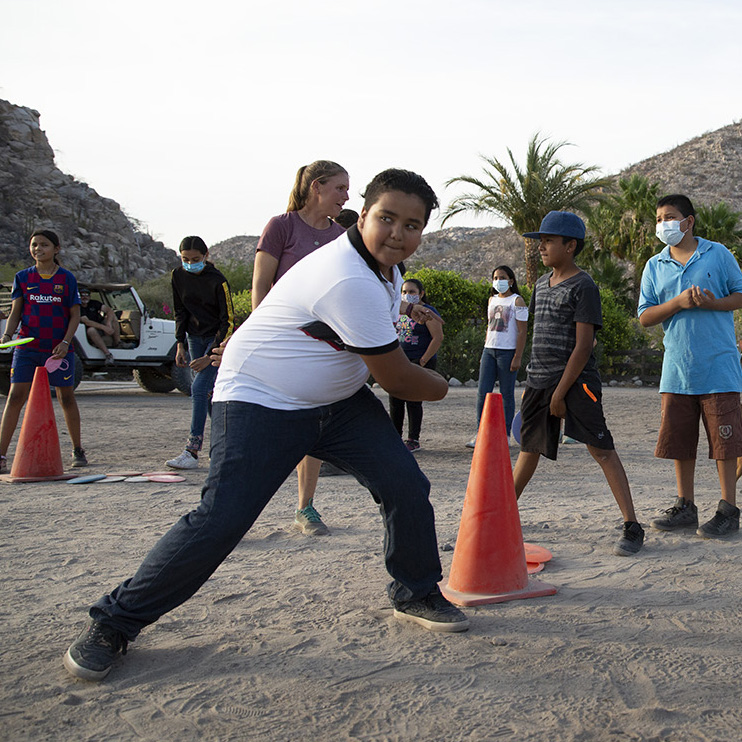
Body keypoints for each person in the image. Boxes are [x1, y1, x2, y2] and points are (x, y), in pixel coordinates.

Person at [62, 169, 469, 682]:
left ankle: (416, 592)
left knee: (405, 484)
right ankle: (113, 623)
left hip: (336, 404)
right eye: (386, 218)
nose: (396, 233)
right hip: (261, 399)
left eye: (412, 226)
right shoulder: (347, 276)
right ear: (362, 215)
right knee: (222, 519)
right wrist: (442, 385)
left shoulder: (385, 270)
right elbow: (399, 380)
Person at [511, 211, 644, 556]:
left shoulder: (584, 286)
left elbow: (584, 346)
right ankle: (499, 518)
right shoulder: (541, 284)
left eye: (549, 240)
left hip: (575, 383)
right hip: (539, 382)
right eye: (540, 240)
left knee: (601, 449)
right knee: (528, 450)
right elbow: (540, 335)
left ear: (570, 246)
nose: (541, 246)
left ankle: (632, 525)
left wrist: (560, 392)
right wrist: (532, 385)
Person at [251, 160, 349, 535]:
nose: (346, 196)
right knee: (265, 428)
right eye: (340, 188)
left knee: (309, 424)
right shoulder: (281, 227)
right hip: (280, 342)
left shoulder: (341, 236)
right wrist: (259, 334)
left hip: (321, 346)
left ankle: (305, 508)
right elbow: (261, 285)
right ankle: (232, 510)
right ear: (317, 187)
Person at [639, 194, 742, 538]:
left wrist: (714, 303)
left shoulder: (718, 254)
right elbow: (644, 316)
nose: (663, 224)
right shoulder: (654, 265)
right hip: (677, 369)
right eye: (658, 219)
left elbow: (741, 294)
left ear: (689, 221)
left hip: (719, 366)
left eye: (669, 217)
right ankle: (686, 506)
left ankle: (728, 509)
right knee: (679, 442)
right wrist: (678, 303)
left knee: (724, 443)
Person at [0, 229, 87, 474]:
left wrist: (66, 343)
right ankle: (1, 454)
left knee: (66, 397)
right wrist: (8, 336)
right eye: (34, 245)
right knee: (15, 396)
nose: (38, 249)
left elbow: (75, 315)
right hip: (27, 348)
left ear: (56, 249)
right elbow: (16, 311)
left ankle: (78, 450)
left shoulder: (67, 279)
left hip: (58, 349)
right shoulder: (22, 277)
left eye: (44, 245)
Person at [165, 236, 234, 469]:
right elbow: (180, 311)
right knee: (206, 394)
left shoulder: (218, 281)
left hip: (215, 339)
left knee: (198, 387)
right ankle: (226, 445)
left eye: (195, 259)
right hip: (193, 338)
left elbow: (228, 321)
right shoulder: (177, 276)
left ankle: (192, 450)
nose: (190, 263)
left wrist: (211, 355)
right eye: (185, 259)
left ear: (205, 257)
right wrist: (180, 343)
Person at [466, 265, 528, 449]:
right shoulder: (491, 300)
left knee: (506, 394)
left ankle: (505, 434)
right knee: (482, 393)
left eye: (502, 277)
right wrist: (485, 348)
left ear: (511, 280)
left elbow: (522, 331)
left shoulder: (517, 301)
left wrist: (518, 356)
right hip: (489, 350)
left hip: (507, 352)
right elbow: (489, 325)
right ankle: (481, 433)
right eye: (495, 277)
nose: (498, 281)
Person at [389, 278, 443, 452]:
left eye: (412, 292)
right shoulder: (399, 312)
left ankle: (413, 439)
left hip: (418, 359)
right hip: (400, 359)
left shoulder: (428, 312)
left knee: (413, 400)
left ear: (421, 294)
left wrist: (422, 361)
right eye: (404, 292)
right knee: (395, 400)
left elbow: (437, 338)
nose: (407, 295)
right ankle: (395, 437)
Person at [78, 287, 126, 365]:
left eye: (87, 295)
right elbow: (87, 322)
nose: (85, 297)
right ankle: (107, 354)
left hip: (101, 326)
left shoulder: (94, 303)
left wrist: (108, 323)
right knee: (91, 330)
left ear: (90, 296)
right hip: (88, 331)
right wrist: (105, 328)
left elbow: (109, 310)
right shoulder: (78, 307)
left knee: (113, 317)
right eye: (82, 295)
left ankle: (118, 343)